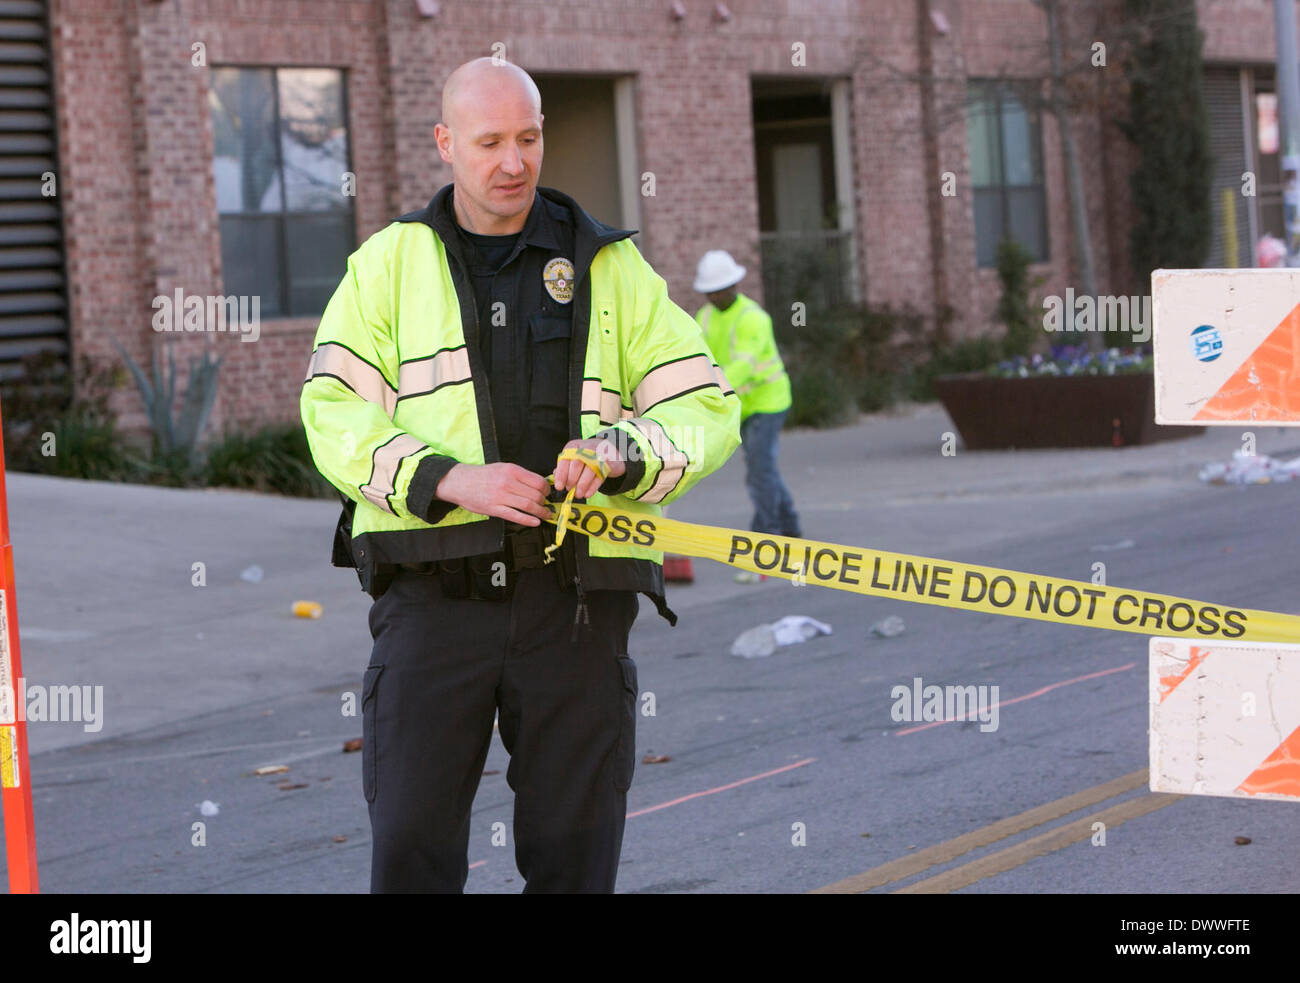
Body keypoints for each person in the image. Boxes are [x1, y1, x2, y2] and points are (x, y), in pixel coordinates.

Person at [300, 58, 740, 893]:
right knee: (410, 851)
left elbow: (708, 405)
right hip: (433, 601)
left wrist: (625, 450)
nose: (513, 161)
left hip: (574, 604)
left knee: (575, 861)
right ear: (446, 144)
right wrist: (449, 479)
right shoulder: (387, 266)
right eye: (490, 141)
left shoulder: (609, 266)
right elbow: (331, 413)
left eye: (529, 138)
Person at [693, 250, 800, 579]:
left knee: (759, 470)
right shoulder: (705, 317)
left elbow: (744, 365)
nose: (714, 296)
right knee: (763, 467)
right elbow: (695, 356)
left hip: (768, 402)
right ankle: (792, 529)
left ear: (734, 285)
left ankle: (764, 544)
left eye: (720, 289)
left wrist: (712, 391)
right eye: (709, 291)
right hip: (740, 404)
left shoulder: (753, 317)